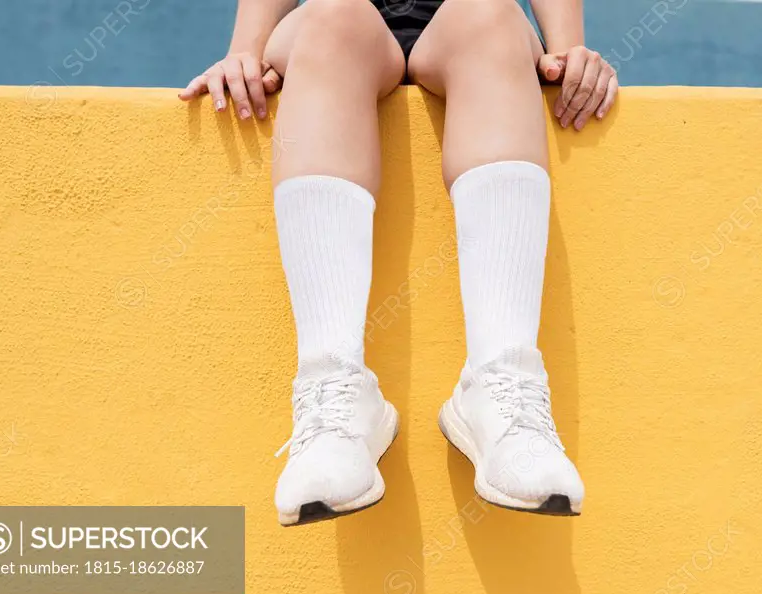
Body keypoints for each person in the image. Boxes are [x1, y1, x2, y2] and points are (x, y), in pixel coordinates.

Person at [179, 0, 618, 525]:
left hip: (470, 25)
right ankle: (332, 400)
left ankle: (504, 391)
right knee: (332, 16)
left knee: (492, 14)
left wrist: (566, 50)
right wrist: (244, 51)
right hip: (334, 25)